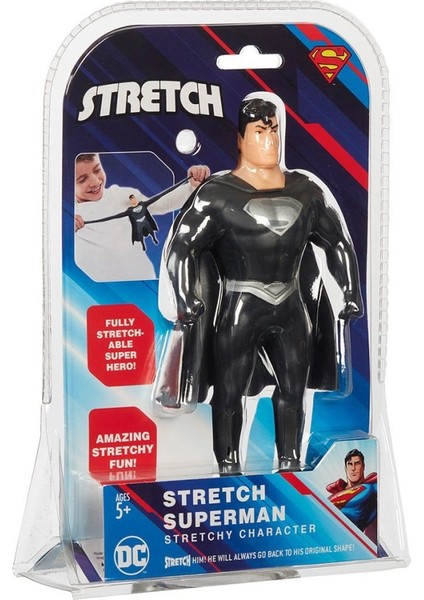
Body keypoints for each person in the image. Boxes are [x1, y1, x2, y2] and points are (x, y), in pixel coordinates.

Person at [160, 93, 363, 475]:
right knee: (229, 392)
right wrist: (186, 297)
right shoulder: (218, 194)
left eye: (273, 130)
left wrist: (350, 291)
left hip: (290, 304)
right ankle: (227, 466)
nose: (269, 139)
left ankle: (291, 463)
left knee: (294, 392)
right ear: (241, 138)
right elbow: (183, 247)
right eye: (259, 131)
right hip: (241, 304)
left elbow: (336, 242)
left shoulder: (305, 191)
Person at [74, 154, 210, 281]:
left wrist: (192, 187)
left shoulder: (122, 196)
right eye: (82, 179)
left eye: (97, 170)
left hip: (142, 279)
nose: (94, 181)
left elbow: (160, 204)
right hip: (99, 290)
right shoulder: (71, 217)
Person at [327, 449, 377, 542]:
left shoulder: (373, 488)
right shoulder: (335, 497)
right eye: (350, 464)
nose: (353, 468)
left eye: (357, 463)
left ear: (363, 466)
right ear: (345, 468)